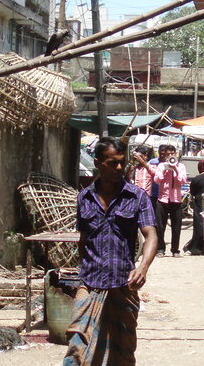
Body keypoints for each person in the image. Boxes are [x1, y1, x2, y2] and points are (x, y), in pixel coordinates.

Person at [63, 137, 158, 366]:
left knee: (122, 351)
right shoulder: (84, 198)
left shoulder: (137, 197)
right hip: (90, 283)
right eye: (112, 163)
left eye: (122, 163)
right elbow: (84, 239)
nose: (118, 168)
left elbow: (151, 236)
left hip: (123, 283)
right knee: (77, 344)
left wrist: (143, 267)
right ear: (97, 163)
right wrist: (81, 268)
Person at [153, 144, 187, 258]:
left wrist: (175, 169)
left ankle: (175, 249)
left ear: (175, 154)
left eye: (172, 154)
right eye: (168, 154)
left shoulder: (181, 166)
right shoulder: (161, 166)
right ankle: (160, 248)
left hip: (176, 199)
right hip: (163, 199)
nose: (170, 156)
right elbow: (156, 180)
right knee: (160, 226)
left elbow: (183, 180)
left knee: (176, 226)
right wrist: (164, 171)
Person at [184, 160, 204, 255]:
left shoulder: (196, 179)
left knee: (199, 226)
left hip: (200, 204)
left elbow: (193, 192)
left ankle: (198, 248)